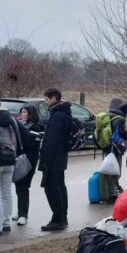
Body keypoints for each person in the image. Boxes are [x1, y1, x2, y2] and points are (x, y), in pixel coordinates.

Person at [0, 96, 26, 235]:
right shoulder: (12, 119)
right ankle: (5, 223)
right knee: (6, 192)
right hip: (10, 160)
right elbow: (24, 134)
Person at [39, 88, 73, 231]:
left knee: (52, 188)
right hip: (60, 157)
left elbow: (52, 139)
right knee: (60, 187)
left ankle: (58, 219)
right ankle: (61, 217)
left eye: (47, 99)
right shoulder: (65, 113)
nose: (46, 102)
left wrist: (44, 158)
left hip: (53, 158)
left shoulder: (57, 115)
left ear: (54, 98)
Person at [13, 105, 44, 226]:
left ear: (31, 113)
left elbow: (32, 142)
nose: (22, 114)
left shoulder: (37, 126)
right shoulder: (21, 125)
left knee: (24, 186)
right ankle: (20, 210)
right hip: (19, 158)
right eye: (21, 111)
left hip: (29, 159)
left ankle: (23, 214)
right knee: (18, 185)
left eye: (25, 112)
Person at [101, 97, 127, 199]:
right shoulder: (120, 119)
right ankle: (112, 194)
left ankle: (107, 192)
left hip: (106, 147)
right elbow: (122, 134)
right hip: (115, 149)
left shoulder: (108, 115)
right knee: (115, 171)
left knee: (107, 170)